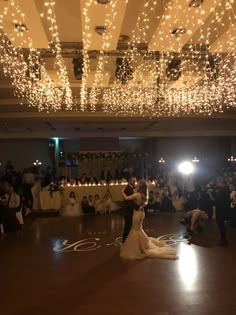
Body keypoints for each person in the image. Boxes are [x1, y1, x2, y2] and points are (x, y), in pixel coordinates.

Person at [120, 180, 177, 260]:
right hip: (141, 214)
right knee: (138, 229)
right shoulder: (144, 195)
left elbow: (126, 198)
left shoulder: (137, 194)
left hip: (136, 214)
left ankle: (138, 247)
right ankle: (141, 245)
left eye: (138, 184)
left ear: (140, 187)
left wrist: (122, 191)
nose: (136, 184)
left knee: (135, 229)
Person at [122, 176, 137, 243]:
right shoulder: (128, 189)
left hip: (129, 211)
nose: (135, 182)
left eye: (135, 181)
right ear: (130, 181)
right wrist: (138, 207)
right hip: (128, 211)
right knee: (127, 227)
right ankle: (124, 241)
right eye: (133, 181)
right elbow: (129, 202)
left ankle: (127, 240)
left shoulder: (130, 188)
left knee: (129, 226)